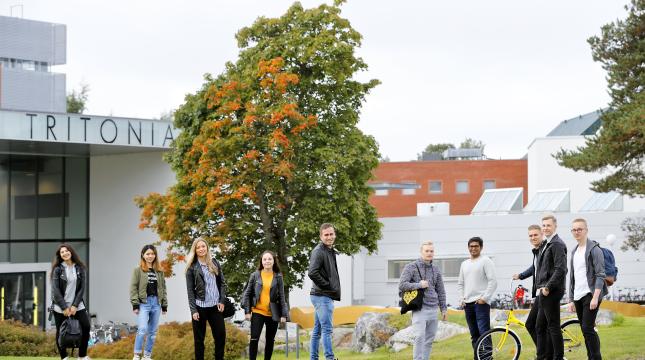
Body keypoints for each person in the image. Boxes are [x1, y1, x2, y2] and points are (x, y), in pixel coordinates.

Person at [398, 240, 447, 360]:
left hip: (433, 308)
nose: (429, 253)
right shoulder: (411, 267)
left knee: (429, 339)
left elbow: (441, 290)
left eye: (432, 251)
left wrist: (443, 309)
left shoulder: (436, 269)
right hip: (420, 308)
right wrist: (419, 285)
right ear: (421, 252)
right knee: (419, 336)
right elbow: (402, 285)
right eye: (427, 251)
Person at [567, 218, 607, 360]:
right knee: (585, 330)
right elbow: (572, 277)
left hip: (590, 294)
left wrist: (595, 297)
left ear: (586, 230)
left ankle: (596, 357)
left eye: (580, 229)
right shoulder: (574, 251)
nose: (577, 232)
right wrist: (571, 299)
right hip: (577, 295)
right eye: (574, 229)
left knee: (588, 329)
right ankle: (591, 357)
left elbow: (600, 274)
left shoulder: (594, 250)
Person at [242, 250, 290, 360]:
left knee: (270, 340)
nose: (267, 261)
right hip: (258, 312)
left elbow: (282, 297)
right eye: (265, 259)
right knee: (254, 338)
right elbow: (247, 294)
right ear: (261, 261)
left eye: (269, 259)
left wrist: (284, 314)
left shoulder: (278, 276)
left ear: (273, 261)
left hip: (272, 313)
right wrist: (247, 311)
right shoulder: (255, 275)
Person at [185, 238, 227, 360]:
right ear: (195, 250)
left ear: (207, 247)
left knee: (220, 336)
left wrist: (222, 301)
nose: (201, 249)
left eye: (203, 246)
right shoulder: (192, 268)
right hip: (199, 308)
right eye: (198, 247)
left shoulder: (214, 263)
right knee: (199, 341)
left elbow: (222, 284)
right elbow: (190, 291)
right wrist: (193, 310)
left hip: (215, 307)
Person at [457, 236, 497, 359]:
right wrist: (461, 299)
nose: (473, 248)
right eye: (471, 246)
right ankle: (478, 357)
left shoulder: (486, 261)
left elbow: (493, 281)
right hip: (467, 304)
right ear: (468, 248)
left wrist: (484, 298)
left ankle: (488, 358)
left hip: (481, 303)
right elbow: (460, 284)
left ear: (481, 247)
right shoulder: (464, 264)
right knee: (474, 334)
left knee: (484, 333)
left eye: (476, 246)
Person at [535, 215, 568, 360]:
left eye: (548, 225)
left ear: (555, 226)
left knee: (553, 326)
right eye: (543, 225)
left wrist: (548, 287)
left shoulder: (557, 244)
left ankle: (558, 357)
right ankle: (543, 357)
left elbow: (561, 269)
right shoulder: (547, 244)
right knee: (540, 327)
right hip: (544, 290)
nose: (545, 228)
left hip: (552, 290)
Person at [51, 243, 91, 360]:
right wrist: (64, 307)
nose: (65, 253)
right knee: (61, 331)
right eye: (62, 252)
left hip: (77, 305)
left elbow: (81, 289)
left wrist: (74, 306)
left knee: (86, 326)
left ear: (71, 252)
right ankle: (64, 357)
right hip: (60, 307)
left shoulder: (79, 268)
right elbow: (56, 290)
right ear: (60, 255)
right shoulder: (58, 269)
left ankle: (82, 356)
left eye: (66, 251)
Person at [308, 223, 341, 360]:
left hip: (321, 295)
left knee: (318, 330)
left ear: (334, 234)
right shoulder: (319, 251)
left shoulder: (329, 250)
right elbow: (312, 272)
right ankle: (330, 358)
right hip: (322, 296)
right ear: (321, 236)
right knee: (327, 329)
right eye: (326, 235)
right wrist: (327, 286)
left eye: (331, 234)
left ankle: (313, 358)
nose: (329, 237)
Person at [130, 244, 168, 360]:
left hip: (156, 303)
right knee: (142, 329)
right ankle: (136, 355)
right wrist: (135, 304)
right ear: (143, 255)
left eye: (152, 253)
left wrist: (164, 305)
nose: (150, 256)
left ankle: (147, 355)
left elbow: (163, 288)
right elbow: (133, 287)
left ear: (155, 255)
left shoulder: (159, 271)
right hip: (143, 303)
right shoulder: (138, 270)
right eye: (148, 254)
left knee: (152, 332)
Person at [512, 224, 547, 350]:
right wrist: (520, 275)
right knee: (534, 325)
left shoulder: (545, 249)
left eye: (535, 235)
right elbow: (535, 268)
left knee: (534, 325)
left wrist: (547, 286)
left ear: (542, 234)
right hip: (540, 292)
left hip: (546, 292)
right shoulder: (537, 251)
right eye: (530, 236)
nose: (533, 237)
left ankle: (545, 354)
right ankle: (545, 353)